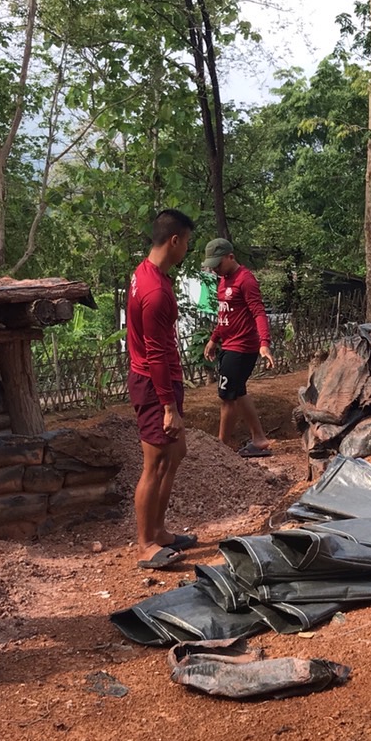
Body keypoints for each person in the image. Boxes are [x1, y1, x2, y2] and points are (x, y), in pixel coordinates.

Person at [127, 209, 198, 570]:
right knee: (154, 464)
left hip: (163, 379)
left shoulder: (146, 273)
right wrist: (168, 406)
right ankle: (145, 544)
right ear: (174, 240)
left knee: (176, 453)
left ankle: (159, 530)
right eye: (187, 242)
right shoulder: (154, 291)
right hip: (154, 382)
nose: (187, 248)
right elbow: (154, 353)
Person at [200, 238, 276, 457]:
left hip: (242, 347)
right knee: (238, 391)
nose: (215, 269)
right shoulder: (223, 280)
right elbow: (225, 315)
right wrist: (214, 338)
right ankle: (259, 439)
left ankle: (221, 448)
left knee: (227, 397)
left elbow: (258, 312)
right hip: (229, 344)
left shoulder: (246, 280)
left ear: (230, 257)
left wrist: (264, 343)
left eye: (218, 264)